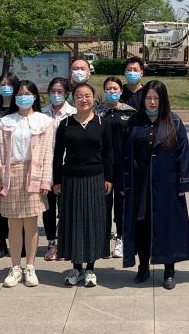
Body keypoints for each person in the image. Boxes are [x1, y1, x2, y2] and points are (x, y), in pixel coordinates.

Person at [121, 80, 189, 290]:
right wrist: (124, 181)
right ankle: (143, 266)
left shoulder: (174, 122)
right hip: (140, 183)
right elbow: (125, 154)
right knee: (142, 225)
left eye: (156, 98)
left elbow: (183, 154)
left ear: (163, 99)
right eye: (148, 98)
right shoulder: (134, 122)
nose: (152, 102)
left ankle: (169, 270)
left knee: (167, 226)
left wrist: (182, 182)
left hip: (167, 184)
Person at [0, 80, 54, 288]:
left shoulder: (44, 122)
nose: (23, 97)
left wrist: (46, 179)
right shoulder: (5, 122)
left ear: (35, 96)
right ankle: (15, 267)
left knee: (31, 224)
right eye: (20, 94)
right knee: (14, 224)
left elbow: (48, 154)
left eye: (27, 93)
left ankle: (30, 267)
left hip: (33, 173)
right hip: (11, 174)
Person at [54, 82, 113, 287]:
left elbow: (108, 154)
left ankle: (90, 268)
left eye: (87, 95)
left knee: (93, 223)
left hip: (95, 179)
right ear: (73, 99)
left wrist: (109, 178)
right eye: (79, 96)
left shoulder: (101, 123)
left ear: (94, 98)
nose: (84, 99)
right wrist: (57, 181)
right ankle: (76, 267)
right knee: (73, 222)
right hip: (71, 180)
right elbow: (57, 155)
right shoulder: (65, 124)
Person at [97, 76, 136, 259]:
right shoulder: (97, 112)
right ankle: (103, 241)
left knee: (121, 204)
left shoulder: (130, 112)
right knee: (103, 204)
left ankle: (121, 238)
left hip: (123, 164)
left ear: (121, 91)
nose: (111, 91)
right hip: (102, 165)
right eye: (108, 88)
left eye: (115, 89)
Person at [41, 76, 76, 262]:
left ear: (67, 93)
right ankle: (51, 242)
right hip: (45, 167)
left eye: (60, 91)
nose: (56, 94)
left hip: (66, 166)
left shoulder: (73, 113)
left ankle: (64, 241)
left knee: (65, 207)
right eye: (53, 91)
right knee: (47, 207)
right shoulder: (41, 113)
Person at [0, 72, 20, 259]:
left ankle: (19, 242)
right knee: (1, 204)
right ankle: (2, 241)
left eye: (10, 84)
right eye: (2, 84)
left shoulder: (20, 110)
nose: (6, 87)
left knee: (19, 206)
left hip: (18, 162)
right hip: (0, 163)